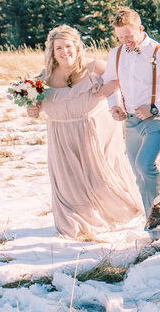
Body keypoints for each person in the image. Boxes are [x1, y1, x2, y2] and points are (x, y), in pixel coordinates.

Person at [27, 25, 139, 238]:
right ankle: (76, 222)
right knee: (70, 184)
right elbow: (33, 108)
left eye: (68, 46)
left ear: (77, 47)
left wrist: (112, 92)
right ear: (52, 51)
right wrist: (31, 109)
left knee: (101, 180)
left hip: (94, 132)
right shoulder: (44, 78)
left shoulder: (93, 67)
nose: (64, 52)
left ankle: (116, 212)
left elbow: (123, 77)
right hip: (62, 138)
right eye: (58, 48)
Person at [102, 7, 160, 236]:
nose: (126, 41)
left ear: (141, 29)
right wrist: (114, 106)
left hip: (155, 120)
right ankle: (154, 224)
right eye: (121, 37)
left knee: (144, 164)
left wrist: (156, 107)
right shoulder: (116, 54)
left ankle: (157, 206)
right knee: (138, 176)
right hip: (129, 122)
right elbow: (110, 83)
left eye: (129, 36)